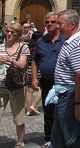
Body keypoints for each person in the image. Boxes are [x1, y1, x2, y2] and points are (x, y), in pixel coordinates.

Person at [50, 9, 80, 148]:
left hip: (70, 97)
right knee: (58, 138)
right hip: (63, 96)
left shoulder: (77, 44)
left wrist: (77, 103)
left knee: (73, 141)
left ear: (72, 25)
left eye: (60, 23)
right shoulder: (70, 41)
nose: (57, 26)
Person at [31, 12, 65, 147]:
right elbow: (35, 61)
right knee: (48, 110)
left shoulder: (65, 40)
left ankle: (63, 136)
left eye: (52, 22)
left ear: (58, 23)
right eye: (47, 22)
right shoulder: (41, 41)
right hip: (46, 81)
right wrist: (34, 78)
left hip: (62, 82)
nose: (49, 24)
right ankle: (49, 137)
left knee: (62, 110)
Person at [25, 31, 43, 116]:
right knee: (43, 88)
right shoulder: (40, 46)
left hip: (28, 69)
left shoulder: (29, 46)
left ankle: (28, 110)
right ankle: (34, 105)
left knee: (30, 90)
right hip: (38, 69)